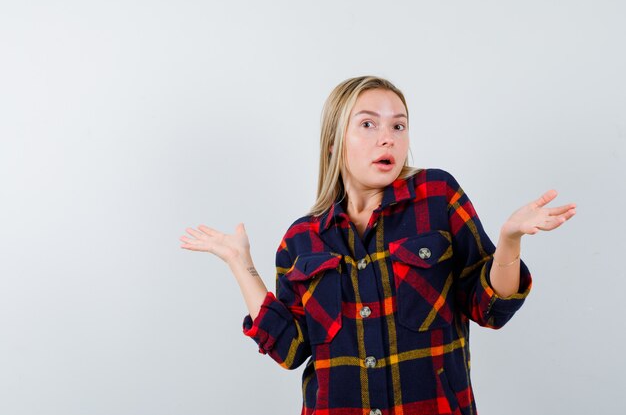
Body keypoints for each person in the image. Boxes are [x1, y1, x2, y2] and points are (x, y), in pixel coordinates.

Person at [179, 76, 576, 415]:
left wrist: (509, 240)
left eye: (398, 126)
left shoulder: (438, 196)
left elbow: (490, 308)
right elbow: (291, 350)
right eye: (368, 124)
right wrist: (239, 262)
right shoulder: (301, 239)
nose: (387, 137)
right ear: (334, 141)